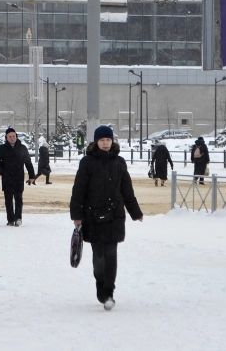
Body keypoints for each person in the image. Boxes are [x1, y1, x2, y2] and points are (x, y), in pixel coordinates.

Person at [69, 125, 143, 311]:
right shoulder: (87, 162)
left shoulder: (119, 163)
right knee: (99, 257)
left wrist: (136, 212)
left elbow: (127, 190)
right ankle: (100, 283)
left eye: (108, 140)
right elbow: (78, 190)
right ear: (96, 142)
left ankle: (109, 292)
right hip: (93, 216)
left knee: (111, 255)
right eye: (102, 140)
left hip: (115, 216)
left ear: (112, 141)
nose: (105, 143)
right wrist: (77, 215)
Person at [0, 128, 35, 226]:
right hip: (7, 178)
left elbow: (28, 163)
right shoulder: (2, 149)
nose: (12, 138)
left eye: (13, 136)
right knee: (8, 200)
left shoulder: (22, 148)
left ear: (16, 136)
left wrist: (32, 176)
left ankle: (18, 218)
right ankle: (10, 219)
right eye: (10, 137)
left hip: (18, 177)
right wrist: (2, 172)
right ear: (6, 138)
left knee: (18, 199)